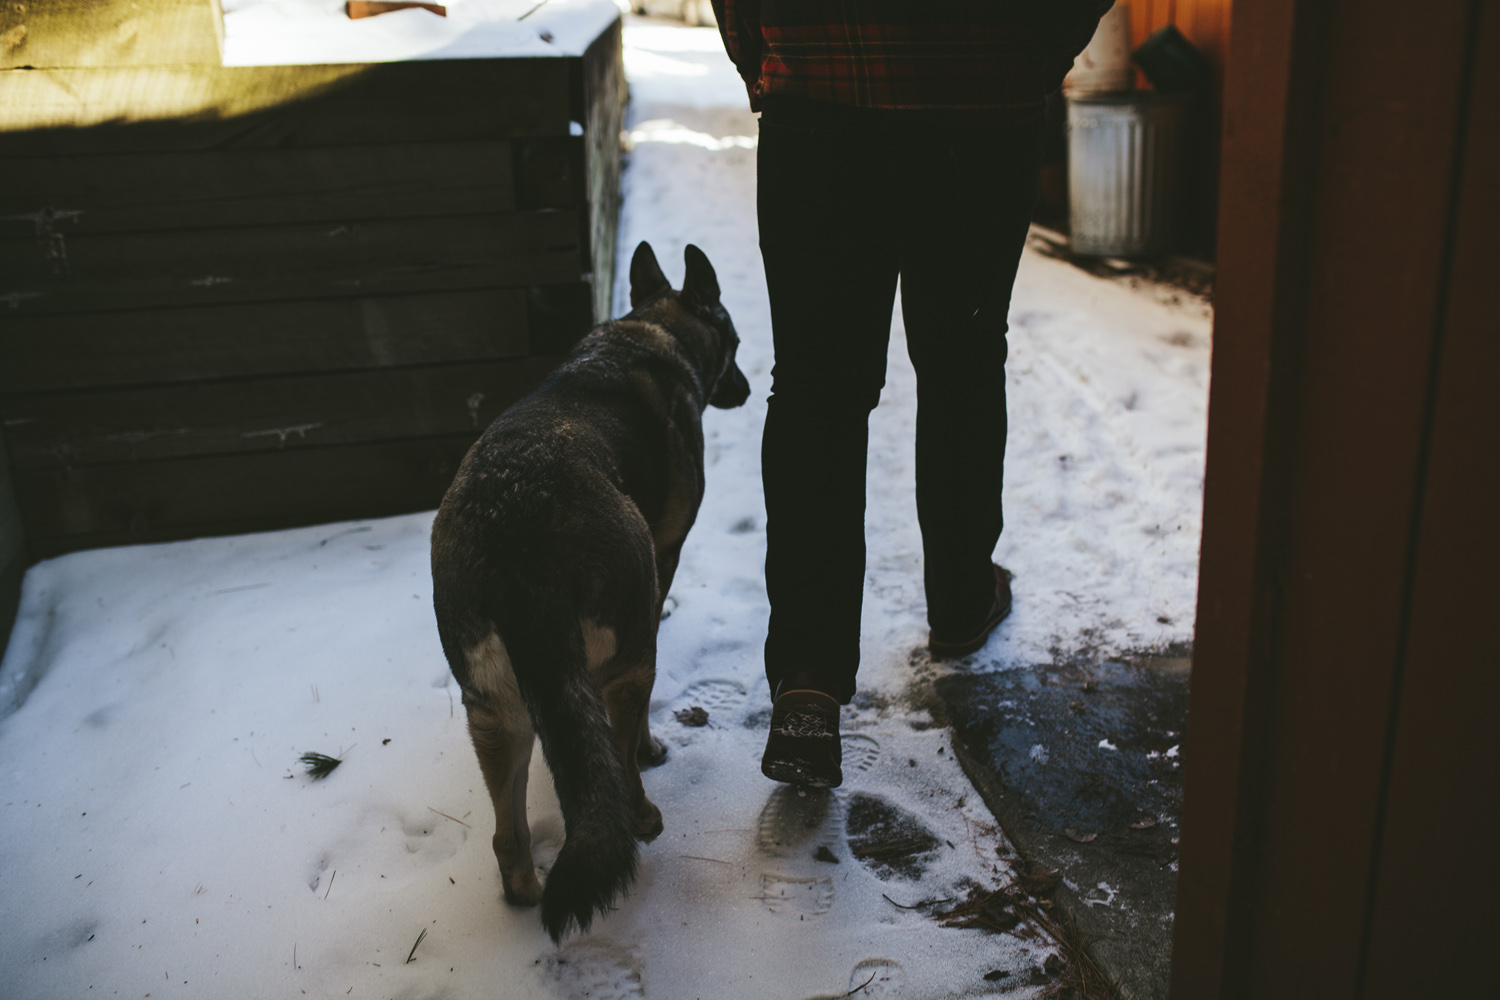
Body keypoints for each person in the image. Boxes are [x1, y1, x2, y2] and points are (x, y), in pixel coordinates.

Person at [709, 1, 1112, 788]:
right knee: (962, 357)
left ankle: (809, 680)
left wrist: (769, 61)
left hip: (819, 93)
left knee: (818, 385)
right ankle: (962, 603)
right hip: (981, 100)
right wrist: (1033, 58)